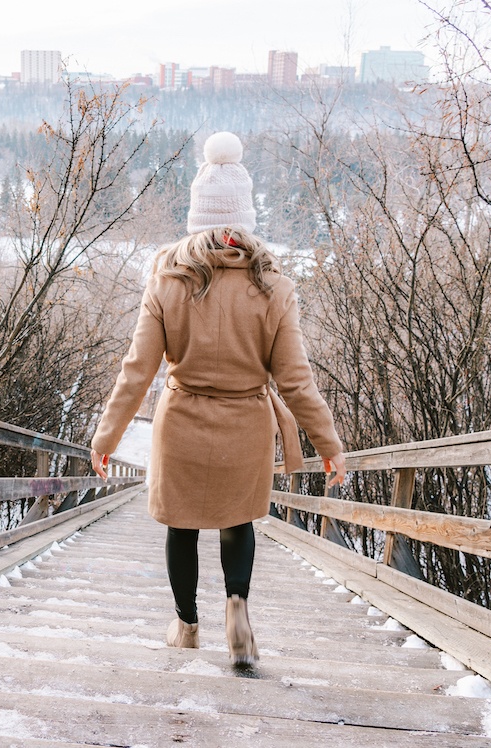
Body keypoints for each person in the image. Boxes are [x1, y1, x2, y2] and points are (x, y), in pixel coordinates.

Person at [89, 131, 346, 667]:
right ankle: (237, 606)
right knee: (237, 524)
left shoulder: (166, 281)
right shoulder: (274, 286)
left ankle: (185, 625)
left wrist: (105, 438)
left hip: (181, 419)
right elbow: (296, 380)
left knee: (180, 526)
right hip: (246, 424)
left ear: (195, 217)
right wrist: (329, 445)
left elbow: (137, 371)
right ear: (245, 220)